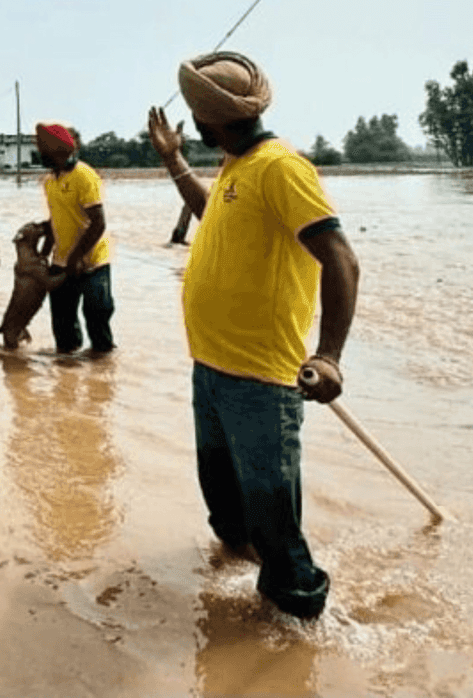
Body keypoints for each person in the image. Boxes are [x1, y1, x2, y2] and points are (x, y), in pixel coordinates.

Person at [145, 50, 361, 623]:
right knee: (225, 503)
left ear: (204, 120)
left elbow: (341, 259)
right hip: (212, 369)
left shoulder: (279, 167)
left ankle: (299, 622)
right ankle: (243, 577)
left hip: (261, 380)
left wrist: (330, 356)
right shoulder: (238, 166)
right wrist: (174, 165)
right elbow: (212, 212)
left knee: (274, 519)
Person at [33, 120, 114, 354]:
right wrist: (44, 253)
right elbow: (56, 220)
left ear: (56, 151)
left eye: (43, 151)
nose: (40, 155)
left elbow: (98, 222)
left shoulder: (85, 176)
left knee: (98, 327)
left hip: (92, 263)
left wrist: (77, 256)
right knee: (63, 332)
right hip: (60, 263)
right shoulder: (49, 181)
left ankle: (101, 381)